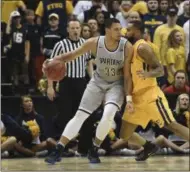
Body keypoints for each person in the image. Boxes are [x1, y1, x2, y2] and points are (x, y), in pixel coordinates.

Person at [43, 18, 133, 164]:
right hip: (97, 82)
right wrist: (53, 61)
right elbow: (72, 55)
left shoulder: (126, 46)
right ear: (108, 30)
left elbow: (128, 75)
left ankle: (94, 149)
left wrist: (128, 98)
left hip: (116, 85)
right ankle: (59, 149)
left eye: (120, 29)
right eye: (116, 29)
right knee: (79, 116)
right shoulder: (94, 42)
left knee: (108, 115)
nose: (120, 32)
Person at [120, 20, 189, 161]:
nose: (126, 32)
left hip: (150, 94)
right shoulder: (131, 49)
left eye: (129, 29)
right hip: (136, 98)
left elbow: (159, 70)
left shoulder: (142, 47)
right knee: (124, 134)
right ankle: (149, 146)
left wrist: (148, 74)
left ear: (137, 31)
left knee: (172, 125)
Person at [47, 19, 93, 137]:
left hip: (81, 82)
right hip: (66, 82)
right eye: (72, 28)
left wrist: (92, 80)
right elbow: (50, 66)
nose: (75, 31)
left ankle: (83, 145)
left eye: (77, 28)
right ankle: (64, 145)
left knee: (82, 113)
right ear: (68, 30)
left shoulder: (85, 43)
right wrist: (50, 87)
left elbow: (88, 63)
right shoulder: (60, 45)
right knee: (65, 114)